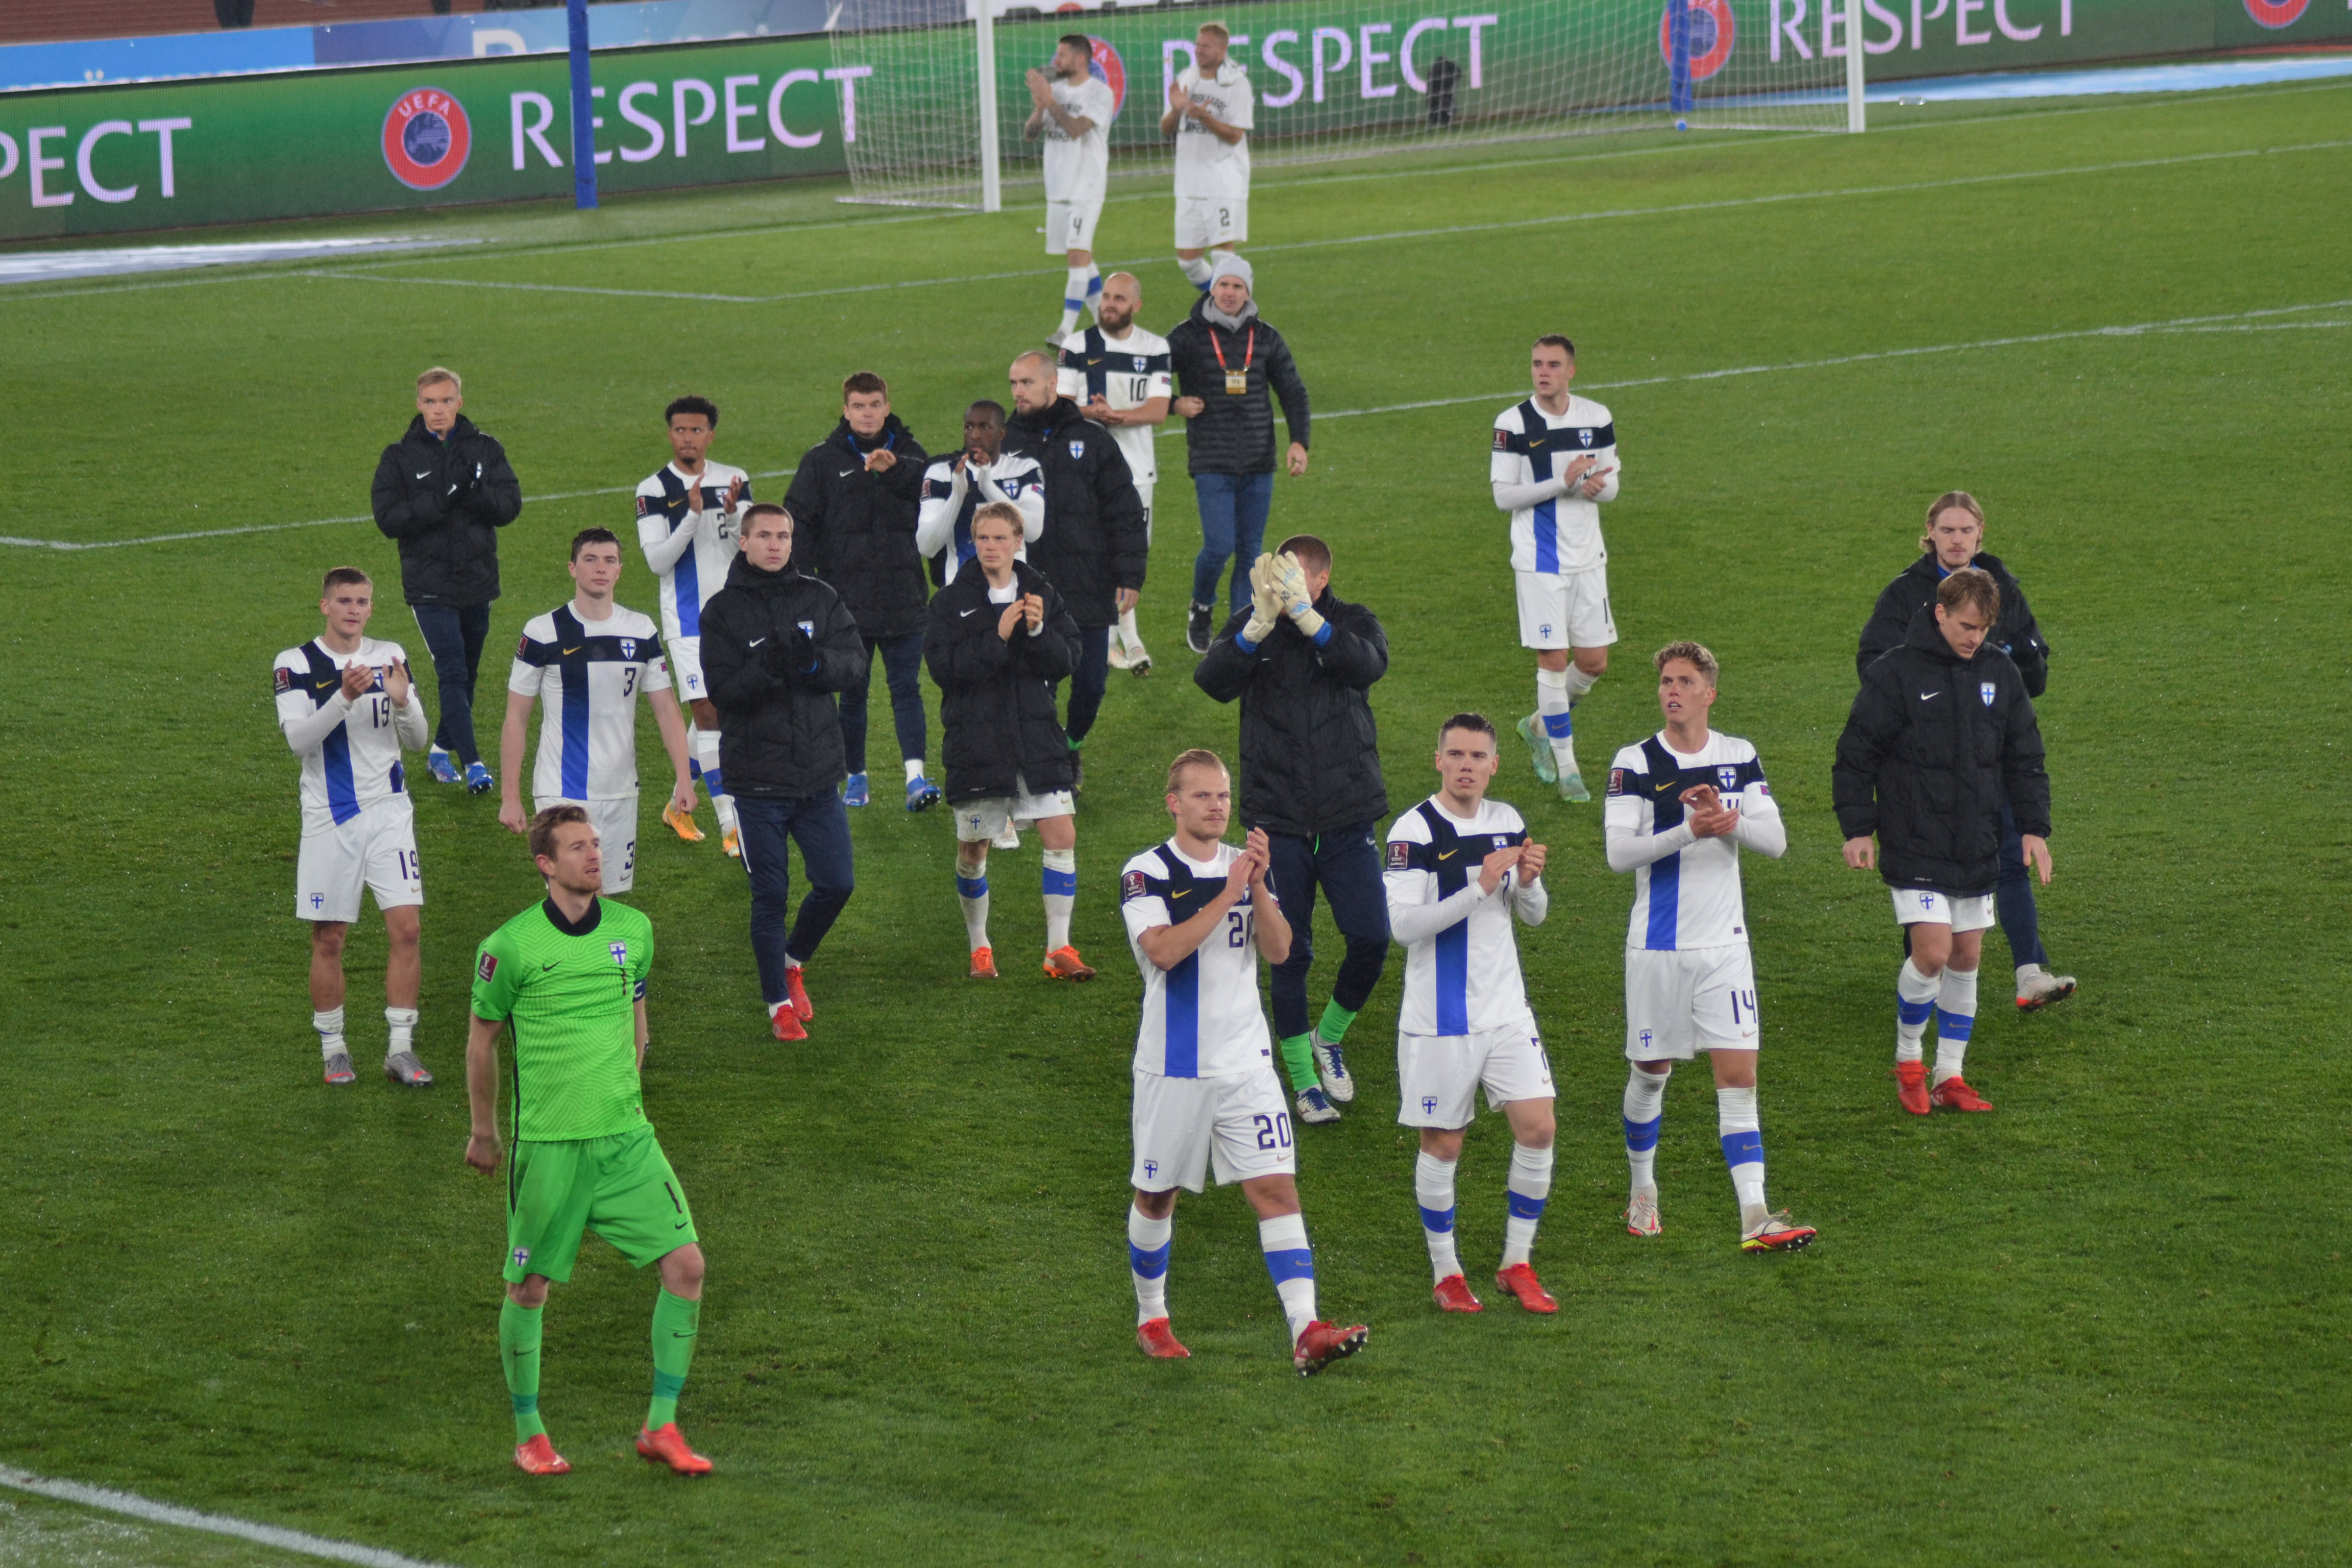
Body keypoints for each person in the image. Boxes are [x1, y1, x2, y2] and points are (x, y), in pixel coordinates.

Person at [463, 806, 711, 1478]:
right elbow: (481, 1041)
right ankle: (529, 1432)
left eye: (596, 844)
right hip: (550, 1145)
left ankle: (661, 1425)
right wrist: (484, 1130)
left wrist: (630, 1083)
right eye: (577, 848)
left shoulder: (634, 930)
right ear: (546, 864)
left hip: (627, 1140)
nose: (594, 855)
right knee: (530, 1289)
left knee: (686, 1266)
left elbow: (637, 1013)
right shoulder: (509, 947)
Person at [1120, 748, 1369, 1374]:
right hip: (1174, 1066)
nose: (1216, 807)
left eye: (1224, 796)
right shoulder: (1146, 872)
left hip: (1248, 1065)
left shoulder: (1248, 866)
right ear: (1174, 802)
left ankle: (1306, 1330)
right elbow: (1165, 953)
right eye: (1202, 796)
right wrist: (1228, 891)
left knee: (1277, 1189)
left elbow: (1282, 951)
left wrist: (1256, 887)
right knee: (1156, 1198)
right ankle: (1152, 1317)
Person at [1605, 642, 1814, 1252]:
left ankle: (1755, 1215)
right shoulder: (1635, 761)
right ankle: (1643, 1187)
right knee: (1652, 1072)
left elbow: (1775, 842)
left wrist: (1729, 823)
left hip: (1725, 947)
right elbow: (1618, 855)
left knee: (1739, 1078)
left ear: (1709, 694)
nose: (1672, 690)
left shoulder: (1738, 755)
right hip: (1658, 949)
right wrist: (1686, 830)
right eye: (1666, 681)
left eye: (1685, 681)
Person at [1835, 570, 2054, 1116]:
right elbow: (1856, 752)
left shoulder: (2000, 674)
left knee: (1968, 955)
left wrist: (2035, 828)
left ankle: (1949, 1076)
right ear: (1940, 613)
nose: (1973, 637)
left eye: (1982, 628)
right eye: (1964, 625)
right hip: (1915, 838)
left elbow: (2025, 756)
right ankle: (1909, 1060)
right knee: (1931, 952)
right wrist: (1859, 828)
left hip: (1975, 838)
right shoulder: (1897, 673)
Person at [1194, 535, 1388, 1125]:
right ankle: (1304, 1082)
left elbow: (1367, 665)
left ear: (1323, 580)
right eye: (1281, 576)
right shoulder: (1254, 624)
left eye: (1299, 578)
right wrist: (1257, 627)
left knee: (1371, 938)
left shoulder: (1351, 621)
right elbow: (1213, 681)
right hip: (1278, 820)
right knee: (1290, 952)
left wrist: (1308, 621)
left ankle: (1329, 1036)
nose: (1286, 586)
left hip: (1347, 814)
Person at [1857, 491, 2072, 1010]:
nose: (1957, 539)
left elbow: (2034, 672)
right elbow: (1873, 665)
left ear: (1981, 536)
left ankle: (2028, 972)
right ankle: (1922, 978)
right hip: (1923, 760)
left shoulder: (2006, 593)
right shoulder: (1905, 594)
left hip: (1985, 752)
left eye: (1966, 531)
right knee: (1926, 861)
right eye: (1947, 530)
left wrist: (2006, 669)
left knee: (2009, 857)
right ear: (1929, 532)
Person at [1384, 715, 1560, 1314]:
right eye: (1455, 754)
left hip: (1506, 1009)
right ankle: (1448, 1272)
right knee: (1444, 1144)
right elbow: (1403, 927)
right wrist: (1480, 888)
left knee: (1539, 1127)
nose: (1466, 765)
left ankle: (1517, 1261)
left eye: (1477, 756)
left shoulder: (1508, 820)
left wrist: (1529, 884)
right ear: (1438, 761)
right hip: (1440, 1019)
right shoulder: (1412, 830)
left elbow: (1532, 916)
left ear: (1493, 765)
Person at [698, 505, 869, 1042]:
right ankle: (778, 1003)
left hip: (818, 778)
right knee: (770, 895)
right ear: (743, 542)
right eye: (764, 535)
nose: (775, 545)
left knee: (838, 883)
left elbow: (855, 664)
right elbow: (722, 696)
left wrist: (815, 665)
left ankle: (793, 961)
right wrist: (769, 667)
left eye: (784, 536)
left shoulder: (820, 597)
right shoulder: (722, 611)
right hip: (756, 784)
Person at [275, 567, 434, 1087]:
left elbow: (417, 742)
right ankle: (334, 1047)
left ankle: (401, 1049)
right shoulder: (296, 663)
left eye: (362, 601)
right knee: (330, 939)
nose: (353, 609)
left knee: (407, 929)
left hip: (390, 811)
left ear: (371, 607)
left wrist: (405, 701)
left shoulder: (390, 654)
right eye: (343, 600)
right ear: (324, 605)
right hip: (330, 815)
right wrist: (343, 697)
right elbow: (299, 742)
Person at [924, 502, 1092, 983]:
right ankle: (980, 946)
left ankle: (1058, 947)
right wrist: (997, 638)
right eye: (982, 539)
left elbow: (1067, 661)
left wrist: (1038, 631)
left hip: (1036, 740)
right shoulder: (951, 601)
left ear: (1019, 541)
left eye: (1000, 538)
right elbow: (945, 671)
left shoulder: (1043, 595)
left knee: (1061, 835)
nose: (991, 547)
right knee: (974, 850)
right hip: (978, 745)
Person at [497, 529, 698, 896]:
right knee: (573, 898)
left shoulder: (641, 630)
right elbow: (516, 717)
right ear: (573, 568)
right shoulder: (543, 632)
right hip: (561, 790)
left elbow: (667, 709)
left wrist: (684, 778)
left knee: (610, 904)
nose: (600, 569)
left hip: (622, 790)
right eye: (590, 560)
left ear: (620, 570)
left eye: (609, 560)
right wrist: (511, 795)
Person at [784, 373, 939, 814]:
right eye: (859, 406)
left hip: (904, 597)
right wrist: (808, 588)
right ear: (846, 410)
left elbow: (936, 501)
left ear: (887, 407)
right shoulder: (821, 462)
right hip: (846, 604)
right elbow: (800, 526)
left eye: (874, 405)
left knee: (906, 689)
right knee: (851, 693)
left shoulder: (913, 457)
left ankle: (915, 777)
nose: (867, 413)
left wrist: (899, 472)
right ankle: (856, 777)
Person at [371, 366, 523, 794]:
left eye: (447, 401)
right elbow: (389, 519)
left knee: (468, 674)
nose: (439, 410)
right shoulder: (399, 457)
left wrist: (477, 494)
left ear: (460, 403)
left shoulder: (486, 450)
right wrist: (445, 497)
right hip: (429, 586)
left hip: (477, 581)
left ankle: (440, 751)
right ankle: (474, 764)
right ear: (419, 405)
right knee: (452, 671)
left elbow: (510, 507)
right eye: (431, 402)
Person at [1006, 350, 1148, 789]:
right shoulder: (1005, 441)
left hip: (1088, 585)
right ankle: (1048, 766)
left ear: (1052, 385)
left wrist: (1130, 575)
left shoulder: (1093, 438)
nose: (1017, 392)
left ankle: (1071, 746)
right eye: (1013, 384)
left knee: (1090, 685)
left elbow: (1124, 509)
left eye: (1026, 383)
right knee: (1038, 685)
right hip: (1030, 588)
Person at [1490, 335, 1619, 803]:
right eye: (1536, 364)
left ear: (1571, 371)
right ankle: (1568, 770)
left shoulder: (1596, 417)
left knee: (1594, 663)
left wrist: (1592, 489)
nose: (1542, 372)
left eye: (1552, 365)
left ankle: (1538, 725)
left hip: (1588, 557)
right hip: (1539, 561)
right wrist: (1561, 484)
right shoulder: (1513, 423)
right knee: (1554, 661)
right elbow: (1504, 496)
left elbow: (1612, 484)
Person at [1167, 255, 1310, 654]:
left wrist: (1300, 441)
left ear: (1249, 293)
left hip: (1259, 460)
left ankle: (1236, 630)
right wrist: (1173, 404)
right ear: (1212, 288)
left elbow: (1293, 392)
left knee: (1250, 551)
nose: (1230, 293)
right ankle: (1202, 604)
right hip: (1211, 460)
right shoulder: (1187, 336)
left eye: (1238, 287)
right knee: (1219, 546)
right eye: (1223, 285)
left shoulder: (1265, 337)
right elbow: (1151, 380)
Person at [635, 395, 751, 856]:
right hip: (687, 622)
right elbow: (658, 562)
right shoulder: (653, 489)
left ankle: (677, 807)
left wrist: (734, 512)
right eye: (680, 430)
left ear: (711, 435)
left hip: (736, 617)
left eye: (697, 430)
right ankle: (731, 824)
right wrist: (693, 515)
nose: (688, 438)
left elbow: (751, 546)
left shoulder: (734, 479)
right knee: (710, 715)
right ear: (670, 434)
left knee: (714, 714)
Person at [1057, 272, 1172, 674]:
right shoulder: (1076, 345)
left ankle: (1116, 639)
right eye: (1106, 296)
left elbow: (1159, 410)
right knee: (1098, 555)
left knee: (1130, 557)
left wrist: (1115, 416)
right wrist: (1093, 413)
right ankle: (1123, 641)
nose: (1109, 303)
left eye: (1119, 298)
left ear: (1136, 306)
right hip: (1086, 471)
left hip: (1138, 472)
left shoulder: (1156, 348)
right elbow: (1062, 405)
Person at [1024, 34, 1115, 345]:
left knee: (1077, 258)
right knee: (1083, 258)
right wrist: (1040, 108)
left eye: (1061, 56)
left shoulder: (1100, 94)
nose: (1055, 62)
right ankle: (1107, 325)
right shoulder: (1056, 91)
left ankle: (1065, 331)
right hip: (1058, 188)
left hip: (1086, 186)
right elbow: (1030, 135)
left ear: (1080, 59)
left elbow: (1076, 130)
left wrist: (1049, 101)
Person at [1160, 21, 1254, 293]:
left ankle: (1230, 318)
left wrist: (1204, 116)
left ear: (1222, 50)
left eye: (1206, 46)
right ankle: (1224, 304)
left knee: (1223, 258)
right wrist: (1178, 110)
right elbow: (1166, 130)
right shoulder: (1186, 79)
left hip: (1224, 182)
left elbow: (1235, 135)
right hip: (1189, 185)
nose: (1199, 50)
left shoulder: (1237, 84)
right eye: (1198, 45)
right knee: (1188, 263)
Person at [916, 400, 1044, 590]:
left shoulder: (1024, 470)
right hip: (961, 592)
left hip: (1014, 593)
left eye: (985, 427)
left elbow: (1033, 532)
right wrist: (958, 495)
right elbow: (927, 546)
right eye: (969, 427)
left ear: (1002, 433)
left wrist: (988, 487)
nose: (975, 435)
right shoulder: (941, 474)